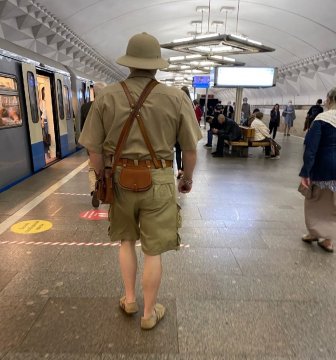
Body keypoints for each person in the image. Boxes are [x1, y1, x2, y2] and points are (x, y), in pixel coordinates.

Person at [79, 32, 202, 330]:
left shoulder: (106, 96)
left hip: (120, 178)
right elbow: (189, 148)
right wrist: (186, 178)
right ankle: (148, 313)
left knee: (126, 241)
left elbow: (93, 149)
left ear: (129, 63)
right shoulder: (176, 98)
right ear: (156, 65)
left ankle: (130, 299)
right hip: (159, 178)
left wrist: (99, 178)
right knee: (153, 250)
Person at [299, 88, 336, 253]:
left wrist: (306, 172)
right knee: (333, 204)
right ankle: (327, 239)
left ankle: (314, 232)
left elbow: (311, 148)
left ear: (329, 99)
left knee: (315, 200)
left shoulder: (322, 119)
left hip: (324, 167)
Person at [80, 82, 107, 208]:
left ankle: (94, 188)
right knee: (108, 167)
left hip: (91, 143)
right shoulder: (110, 105)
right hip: (107, 143)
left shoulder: (85, 107)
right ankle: (107, 189)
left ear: (94, 92)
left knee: (92, 167)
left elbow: (81, 128)